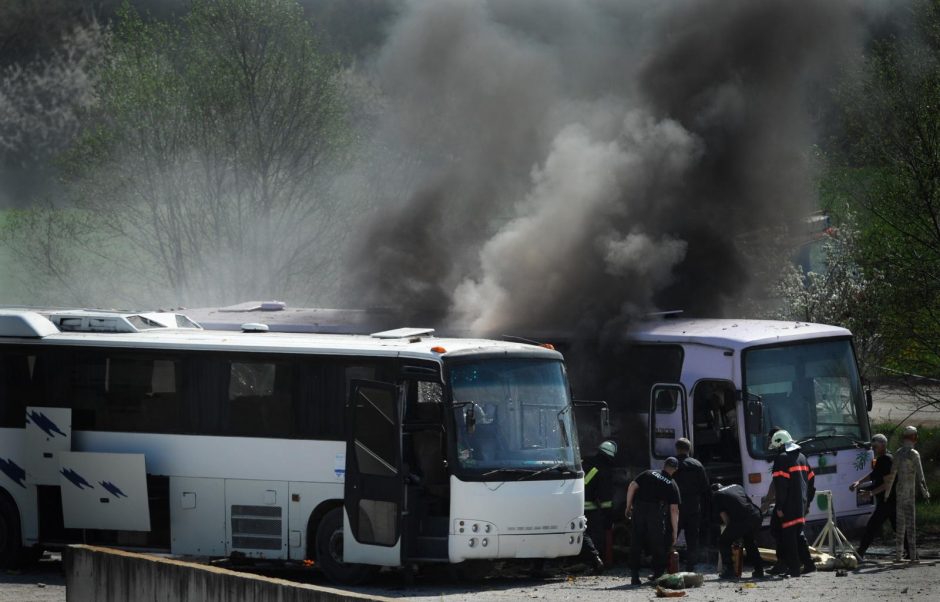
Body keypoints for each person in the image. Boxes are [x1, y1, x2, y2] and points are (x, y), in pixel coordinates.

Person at [625, 457, 681, 586]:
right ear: (675, 470)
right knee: (658, 543)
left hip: (639, 509)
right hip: (655, 513)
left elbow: (632, 486)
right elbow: (674, 510)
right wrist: (674, 532)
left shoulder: (648, 473)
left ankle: (634, 576)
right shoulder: (672, 484)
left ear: (664, 465)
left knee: (636, 541)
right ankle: (657, 574)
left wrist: (628, 507)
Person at [768, 429, 815, 578]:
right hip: (801, 504)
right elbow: (812, 481)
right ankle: (808, 564)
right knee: (797, 534)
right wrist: (807, 502)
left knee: (788, 537)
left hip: (788, 505)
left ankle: (794, 569)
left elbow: (782, 486)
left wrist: (780, 507)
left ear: (780, 445)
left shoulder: (781, 459)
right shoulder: (802, 457)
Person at [886, 426, 931, 563]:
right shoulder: (914, 454)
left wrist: (887, 494)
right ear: (914, 437)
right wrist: (926, 493)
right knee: (910, 525)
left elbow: (892, 476)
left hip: (899, 492)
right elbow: (921, 477)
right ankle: (912, 556)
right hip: (909, 493)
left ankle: (899, 556)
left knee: (900, 526)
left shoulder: (898, 453)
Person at [851, 434, 896, 558]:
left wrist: (870, 493)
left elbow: (888, 484)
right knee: (897, 526)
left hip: (888, 500)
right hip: (888, 501)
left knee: (871, 527)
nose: (874, 449)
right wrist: (859, 482)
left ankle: (860, 552)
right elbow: (874, 474)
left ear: (883, 445)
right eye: (873, 446)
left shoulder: (886, 460)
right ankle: (911, 552)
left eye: (876, 446)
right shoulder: (882, 459)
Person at [712, 483, 764, 579]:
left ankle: (729, 571)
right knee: (749, 542)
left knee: (723, 541)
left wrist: (733, 535)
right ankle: (759, 570)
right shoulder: (737, 486)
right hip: (756, 515)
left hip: (743, 520)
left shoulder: (717, 495)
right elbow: (746, 501)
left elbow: (725, 518)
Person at [579, 440, 617, 573]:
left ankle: (585, 561)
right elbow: (605, 497)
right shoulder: (604, 469)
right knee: (594, 535)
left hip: (575, 504)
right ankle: (595, 562)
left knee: (581, 535)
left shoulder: (585, 463)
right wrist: (609, 515)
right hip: (592, 508)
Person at [673, 438, 709, 571]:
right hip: (693, 507)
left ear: (677, 449)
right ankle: (691, 566)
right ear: (689, 449)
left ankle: (666, 564)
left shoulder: (672, 464)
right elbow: (705, 487)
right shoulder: (698, 465)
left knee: (671, 535)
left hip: (675, 507)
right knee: (692, 537)